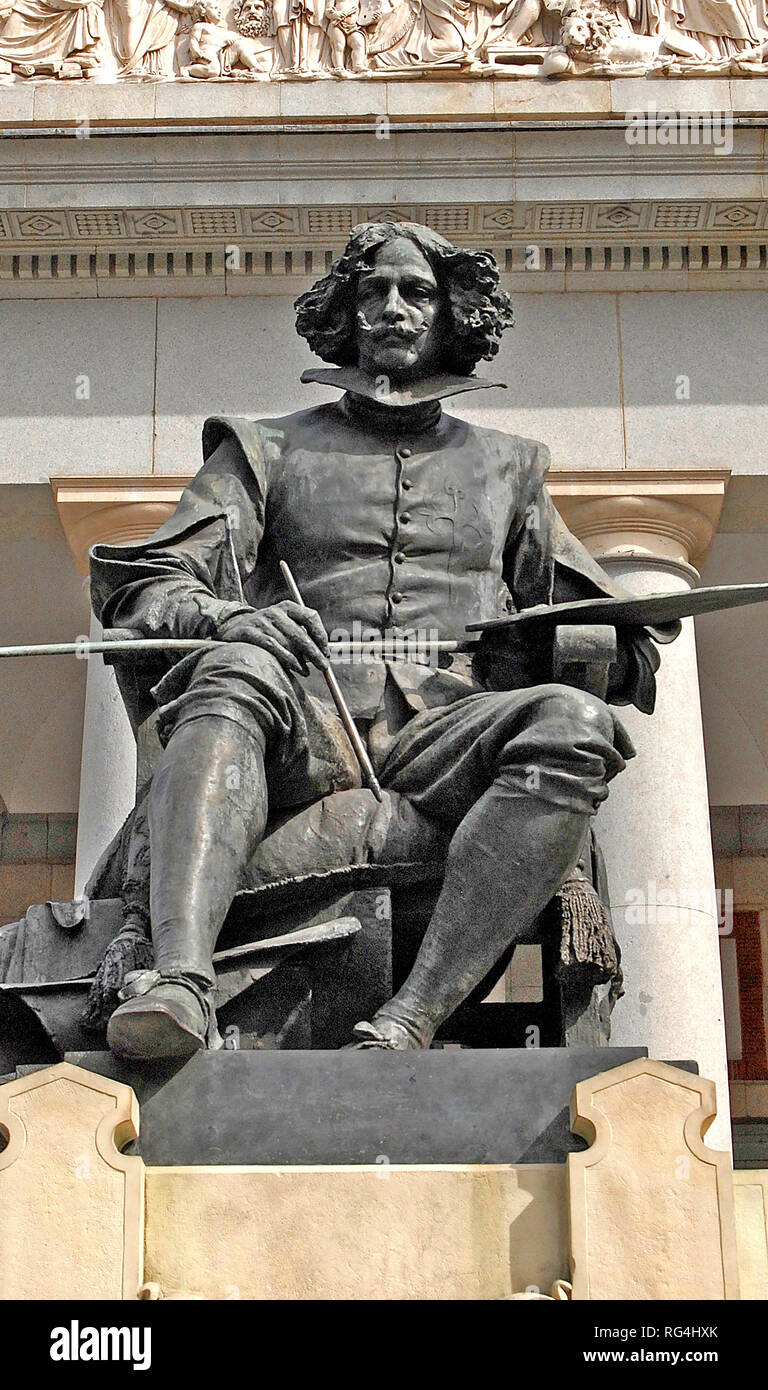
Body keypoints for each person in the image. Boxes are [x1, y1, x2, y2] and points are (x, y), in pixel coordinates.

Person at [90, 220, 666, 1059]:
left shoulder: (511, 468)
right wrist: (228, 617)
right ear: (344, 312)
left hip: (448, 730)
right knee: (236, 670)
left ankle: (410, 1019)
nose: (393, 309)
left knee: (572, 725)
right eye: (373, 291)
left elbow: (614, 638)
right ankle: (179, 985)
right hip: (303, 717)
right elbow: (144, 585)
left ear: (451, 316)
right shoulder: (263, 449)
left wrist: (588, 646)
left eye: (417, 292)